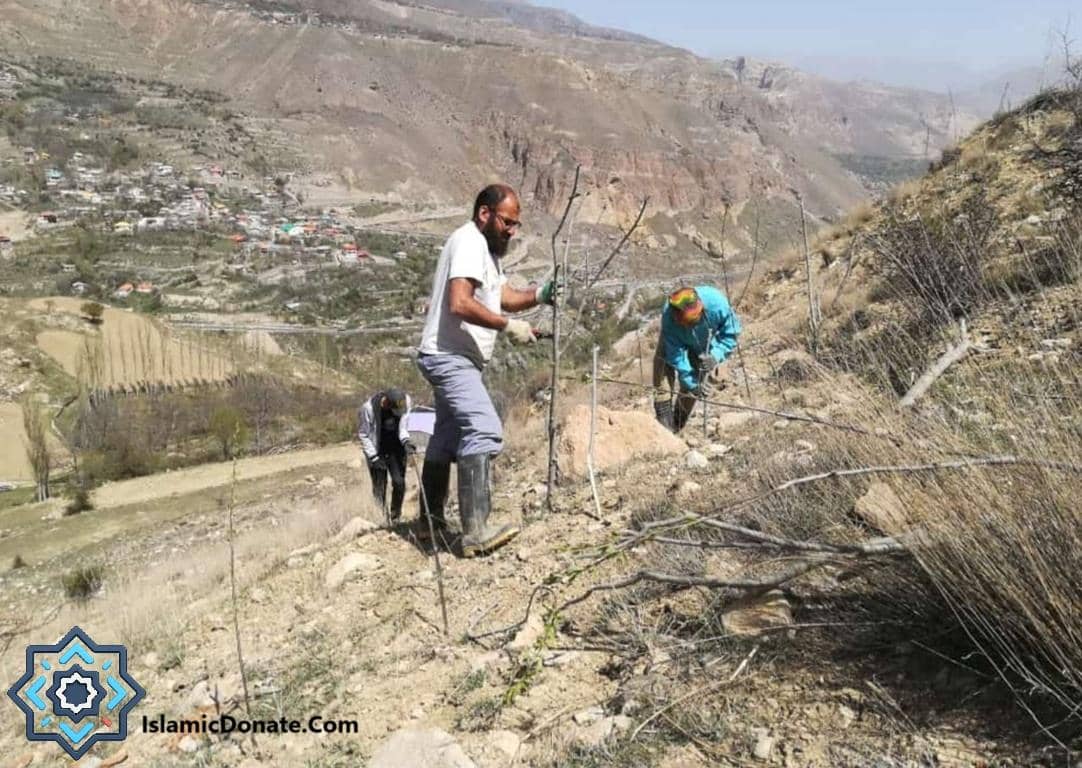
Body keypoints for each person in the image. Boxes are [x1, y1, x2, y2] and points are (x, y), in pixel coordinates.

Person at [415, 183, 559, 557]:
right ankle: (475, 532)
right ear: (485, 214)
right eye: (508, 222)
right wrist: (505, 327)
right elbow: (460, 302)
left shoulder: (487, 252)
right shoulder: (468, 242)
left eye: (516, 224)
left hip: (455, 357)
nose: (512, 230)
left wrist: (539, 295)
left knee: (446, 438)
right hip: (449, 357)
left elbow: (504, 297)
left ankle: (429, 524)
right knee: (483, 428)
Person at [652, 285, 741, 433]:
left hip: (703, 342)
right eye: (685, 322)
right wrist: (690, 381)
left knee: (697, 378)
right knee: (662, 368)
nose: (690, 324)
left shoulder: (717, 303)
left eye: (693, 320)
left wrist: (716, 355)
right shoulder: (669, 318)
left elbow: (731, 333)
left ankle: (678, 424)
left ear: (702, 308)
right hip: (675, 341)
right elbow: (676, 356)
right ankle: (664, 421)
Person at [357, 387, 415, 524]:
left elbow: (403, 426)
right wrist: (374, 457)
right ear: (386, 403)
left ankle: (396, 517)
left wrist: (406, 441)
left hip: (396, 449)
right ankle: (382, 518)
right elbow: (364, 434)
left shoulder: (405, 401)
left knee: (399, 483)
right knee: (379, 486)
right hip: (377, 451)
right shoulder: (369, 409)